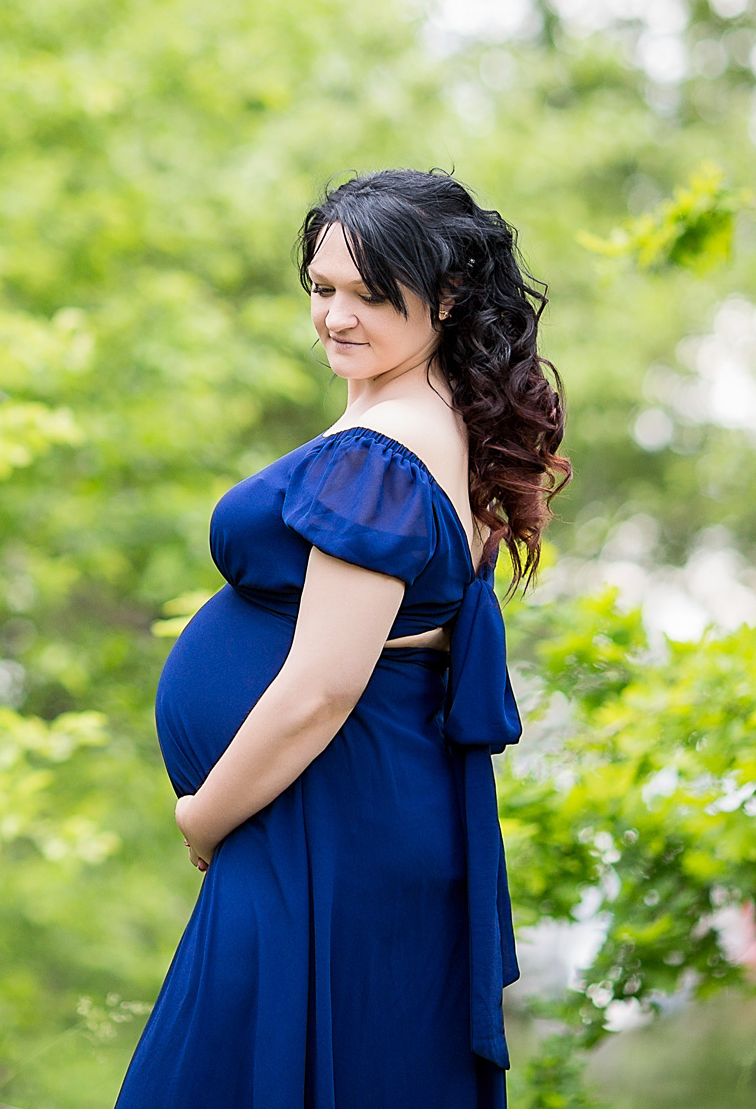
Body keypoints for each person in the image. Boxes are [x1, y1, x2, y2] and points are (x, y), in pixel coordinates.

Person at [114, 169, 569, 1109]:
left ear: (446, 297)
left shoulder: (386, 453)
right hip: (345, 812)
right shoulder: (421, 416)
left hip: (324, 816)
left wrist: (205, 815)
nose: (335, 317)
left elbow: (322, 685)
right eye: (323, 287)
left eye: (369, 294)